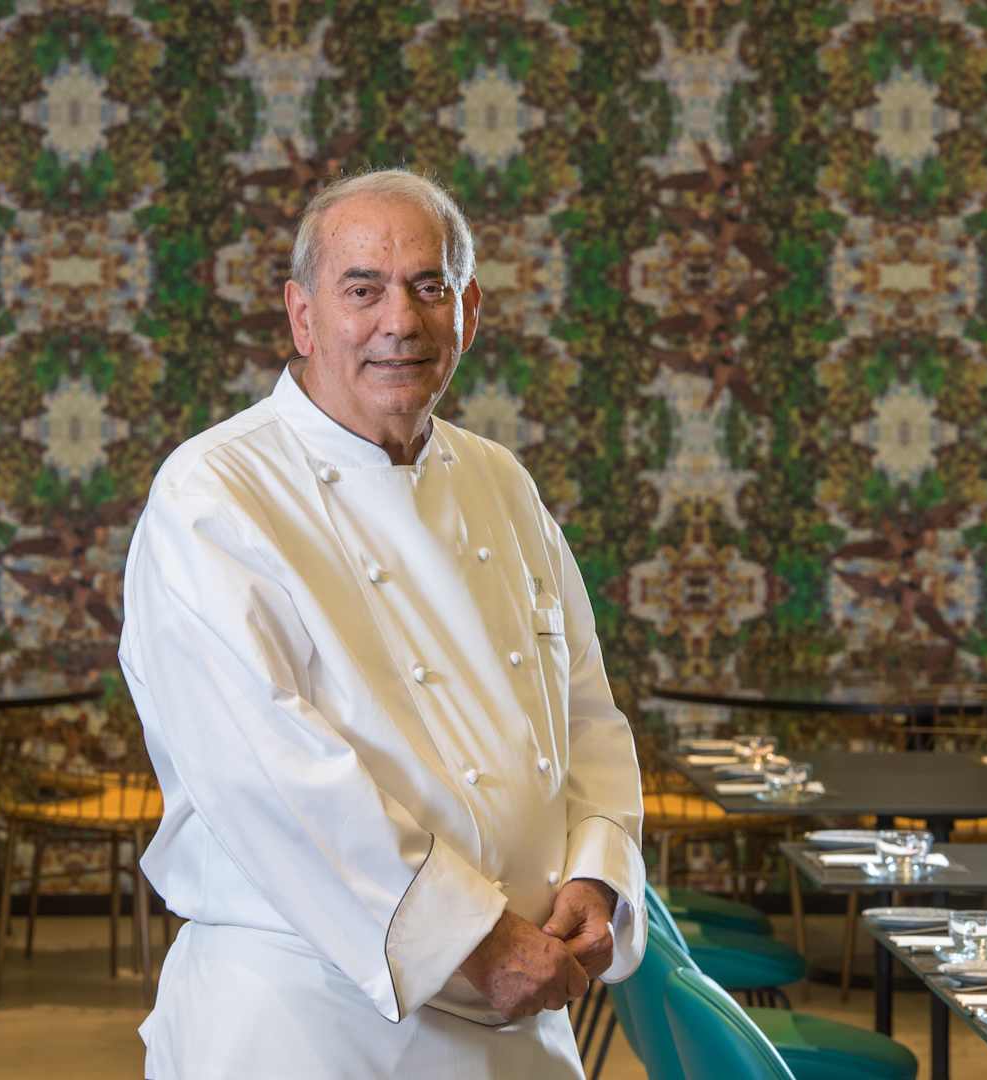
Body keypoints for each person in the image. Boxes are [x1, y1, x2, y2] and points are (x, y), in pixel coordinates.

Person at [119, 168, 646, 1078]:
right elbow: (270, 776)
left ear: (468, 313)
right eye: (361, 289)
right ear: (303, 316)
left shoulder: (501, 482)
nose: (399, 321)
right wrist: (476, 941)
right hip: (312, 1017)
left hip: (524, 1007)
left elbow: (587, 713)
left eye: (428, 287)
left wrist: (596, 877)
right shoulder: (214, 495)